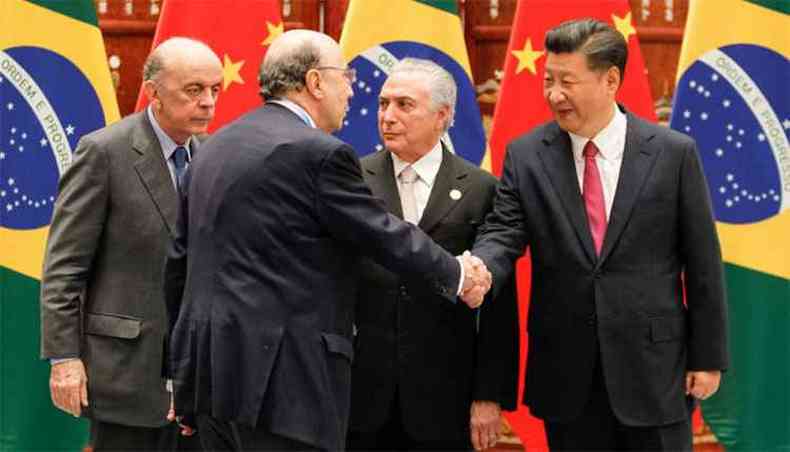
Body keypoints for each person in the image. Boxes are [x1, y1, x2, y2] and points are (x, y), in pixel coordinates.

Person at [163, 30, 490, 451]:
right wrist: (458, 273)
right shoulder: (317, 153)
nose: (352, 92)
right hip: (282, 389)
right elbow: (382, 232)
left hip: (211, 381)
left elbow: (178, 263)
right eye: (347, 77)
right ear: (315, 83)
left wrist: (179, 375)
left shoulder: (211, 147)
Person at [470, 19, 729, 451]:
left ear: (611, 80)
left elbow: (702, 260)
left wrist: (708, 358)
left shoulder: (672, 153)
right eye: (548, 80)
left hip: (654, 372)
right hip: (568, 375)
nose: (554, 94)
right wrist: (479, 267)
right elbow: (503, 232)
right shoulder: (528, 155)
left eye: (567, 82)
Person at [40, 37, 223, 450]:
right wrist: (64, 359)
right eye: (194, 90)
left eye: (215, 89)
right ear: (154, 91)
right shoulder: (104, 152)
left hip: (198, 377)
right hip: (125, 371)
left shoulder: (214, 154)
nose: (208, 102)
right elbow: (64, 267)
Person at [346, 58, 518, 452]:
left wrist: (488, 395)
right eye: (383, 104)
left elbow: (498, 304)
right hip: (361, 395)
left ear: (442, 115)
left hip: (446, 397)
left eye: (404, 105)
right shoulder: (351, 180)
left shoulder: (480, 188)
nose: (387, 116)